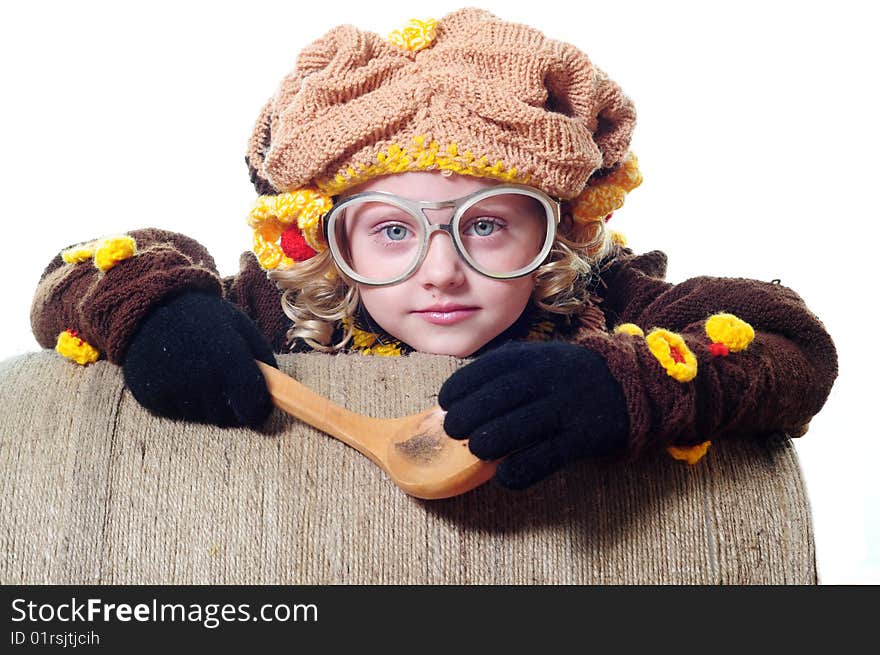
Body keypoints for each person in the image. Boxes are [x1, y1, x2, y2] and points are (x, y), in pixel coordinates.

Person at [30, 8, 838, 490]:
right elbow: (76, 269)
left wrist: (620, 382)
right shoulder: (280, 308)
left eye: (486, 223)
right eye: (391, 229)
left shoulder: (604, 302)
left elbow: (792, 342)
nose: (443, 269)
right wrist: (159, 308)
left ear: (555, 227)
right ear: (325, 238)